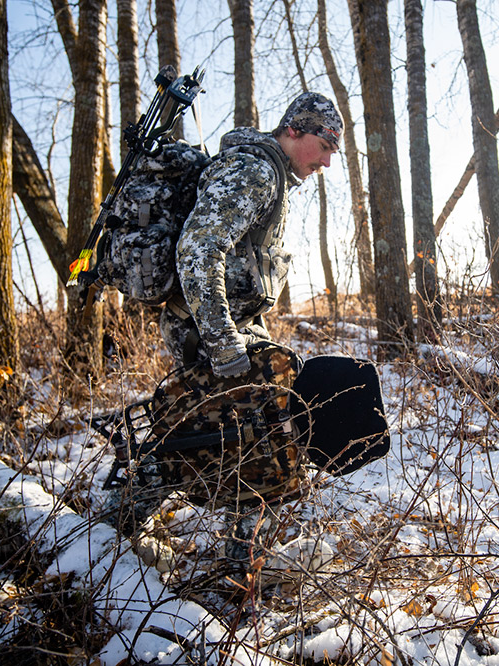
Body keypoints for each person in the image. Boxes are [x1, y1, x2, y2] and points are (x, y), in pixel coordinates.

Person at [111, 92, 343, 575]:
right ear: (295, 130)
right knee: (227, 434)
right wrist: (222, 342)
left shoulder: (272, 176)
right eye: (324, 146)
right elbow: (199, 250)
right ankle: (117, 530)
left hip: (231, 327)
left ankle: (241, 561)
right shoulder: (254, 172)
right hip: (205, 330)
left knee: (247, 436)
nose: (326, 161)